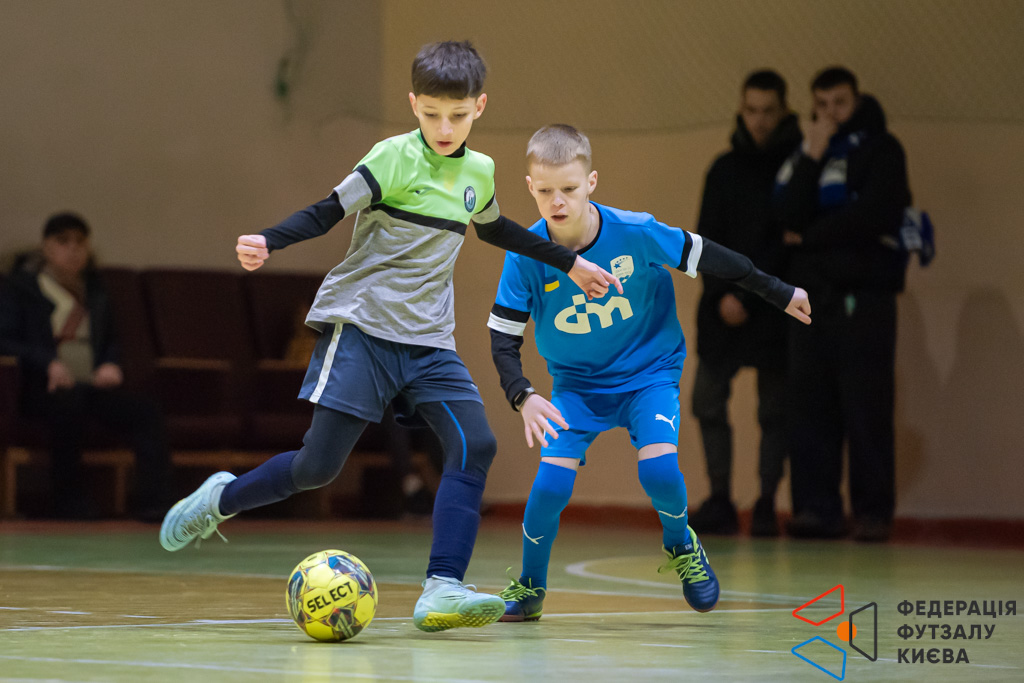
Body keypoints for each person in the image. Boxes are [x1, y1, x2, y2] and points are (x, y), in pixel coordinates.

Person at [158, 41, 621, 633]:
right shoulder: (390, 159)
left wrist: (569, 262)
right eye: (431, 114)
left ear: (480, 107)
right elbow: (328, 210)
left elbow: (496, 229)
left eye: (457, 115)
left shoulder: (478, 172)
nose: (444, 128)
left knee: (475, 445)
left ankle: (441, 587)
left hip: (429, 342)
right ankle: (219, 501)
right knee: (317, 468)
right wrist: (270, 240)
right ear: (413, 105)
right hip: (364, 330)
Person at [488, 125, 811, 621]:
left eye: (569, 188)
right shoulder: (525, 254)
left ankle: (682, 544)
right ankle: (531, 587)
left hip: (648, 374)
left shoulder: (635, 232)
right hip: (577, 387)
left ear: (591, 182)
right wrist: (523, 395)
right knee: (549, 488)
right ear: (530, 187)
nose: (558, 201)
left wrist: (779, 291)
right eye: (546, 190)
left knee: (658, 470)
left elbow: (711, 256)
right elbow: (503, 337)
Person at [774, 67, 911, 542]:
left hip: (864, 295)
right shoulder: (804, 154)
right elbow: (786, 215)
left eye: (840, 103)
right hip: (810, 297)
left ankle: (873, 513)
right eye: (822, 104)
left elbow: (874, 215)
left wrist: (810, 237)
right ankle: (817, 510)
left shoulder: (882, 149)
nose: (831, 113)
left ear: (856, 101)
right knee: (810, 405)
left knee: (866, 406)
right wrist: (813, 155)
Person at [0, 212, 174, 520]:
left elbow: (111, 340)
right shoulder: (21, 289)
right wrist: (47, 363)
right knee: (69, 407)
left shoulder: (95, 291)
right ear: (46, 247)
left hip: (91, 387)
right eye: (63, 241)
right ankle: (68, 501)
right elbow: (5, 340)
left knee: (145, 412)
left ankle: (155, 503)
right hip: (42, 388)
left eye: (80, 242)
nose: (73, 249)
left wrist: (110, 364)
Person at [689, 70, 802, 537]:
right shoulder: (723, 169)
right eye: (751, 110)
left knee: (775, 411)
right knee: (705, 401)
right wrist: (723, 296)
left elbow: (790, 244)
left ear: (783, 111)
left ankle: (766, 504)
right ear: (741, 110)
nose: (759, 120)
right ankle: (720, 499)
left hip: (773, 307)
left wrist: (747, 296)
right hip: (722, 309)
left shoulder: (798, 167)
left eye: (768, 111)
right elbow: (705, 239)